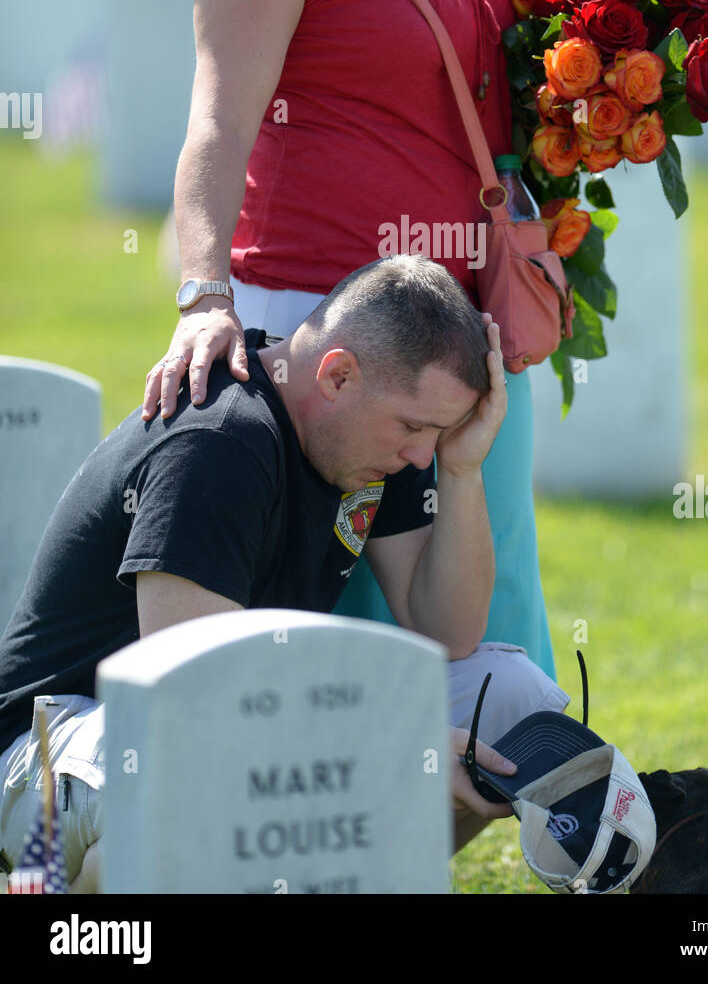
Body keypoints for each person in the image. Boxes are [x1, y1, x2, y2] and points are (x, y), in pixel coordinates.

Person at [140, 0, 557, 681]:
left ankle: (507, 809)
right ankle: (363, 842)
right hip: (335, 327)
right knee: (373, 623)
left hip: (463, 312)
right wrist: (202, 297)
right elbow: (217, 129)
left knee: (489, 581)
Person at [0, 257, 571, 893]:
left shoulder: (385, 439)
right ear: (338, 374)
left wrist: (462, 471)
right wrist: (404, 741)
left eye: (435, 435)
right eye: (415, 428)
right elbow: (196, 694)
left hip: (209, 717)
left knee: (510, 701)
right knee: (194, 785)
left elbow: (451, 634)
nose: (419, 456)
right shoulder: (219, 441)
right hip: (58, 742)